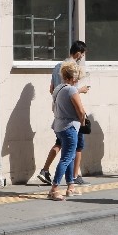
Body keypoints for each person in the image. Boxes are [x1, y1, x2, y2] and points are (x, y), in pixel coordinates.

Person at [38, 41, 90, 185]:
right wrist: (81, 90)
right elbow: (71, 92)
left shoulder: (57, 67)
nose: (82, 57)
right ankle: (74, 176)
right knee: (77, 146)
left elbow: (52, 89)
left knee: (60, 142)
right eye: (83, 54)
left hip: (58, 111)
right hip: (71, 115)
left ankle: (45, 170)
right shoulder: (73, 69)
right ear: (78, 53)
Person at [48, 61, 86, 201]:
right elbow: (81, 111)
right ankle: (54, 189)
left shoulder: (58, 88)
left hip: (59, 126)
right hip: (70, 127)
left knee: (69, 157)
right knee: (66, 158)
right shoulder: (71, 90)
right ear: (74, 77)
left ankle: (71, 186)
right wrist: (83, 122)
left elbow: (53, 107)